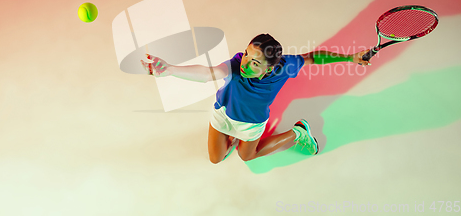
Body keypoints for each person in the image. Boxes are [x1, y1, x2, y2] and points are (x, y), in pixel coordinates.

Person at [141, 33, 370, 164]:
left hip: (251, 124)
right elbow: (209, 74)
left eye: (255, 62)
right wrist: (171, 70)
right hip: (223, 114)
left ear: (270, 68)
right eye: (247, 54)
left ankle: (298, 132)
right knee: (215, 159)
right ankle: (229, 139)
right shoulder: (235, 64)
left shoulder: (284, 67)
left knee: (246, 156)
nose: (245, 63)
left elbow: (312, 57)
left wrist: (351, 57)